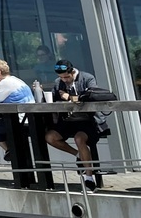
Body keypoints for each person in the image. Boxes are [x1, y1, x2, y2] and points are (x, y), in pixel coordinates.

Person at [45, 59, 106, 191]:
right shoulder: (58, 83)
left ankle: (89, 178)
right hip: (68, 119)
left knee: (79, 139)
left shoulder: (87, 78)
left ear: (72, 71)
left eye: (66, 77)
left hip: (88, 120)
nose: (64, 80)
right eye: (61, 77)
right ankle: (78, 155)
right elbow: (55, 100)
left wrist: (69, 97)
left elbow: (91, 98)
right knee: (50, 137)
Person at [0, 59, 35, 161]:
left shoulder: (5, 83)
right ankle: (13, 150)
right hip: (28, 118)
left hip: (19, 120)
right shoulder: (16, 80)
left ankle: (11, 151)